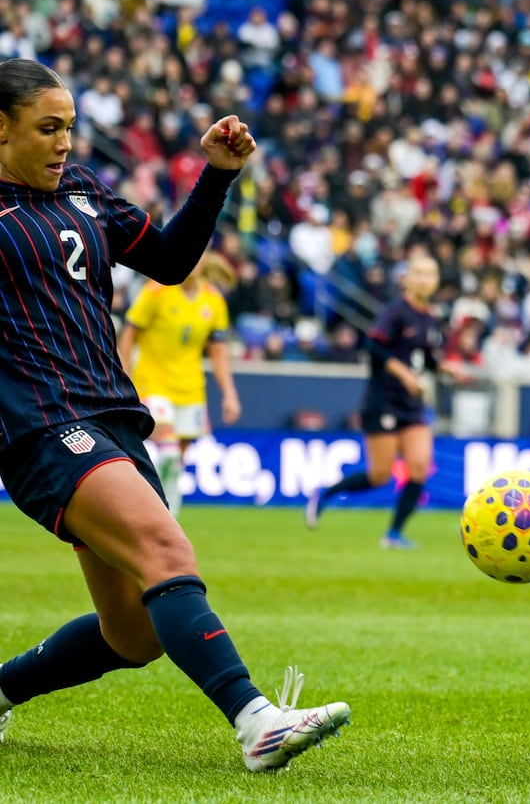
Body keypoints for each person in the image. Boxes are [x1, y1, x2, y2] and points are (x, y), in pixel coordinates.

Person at [0, 58, 349, 770]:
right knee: (168, 553)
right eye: (47, 128)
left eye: (68, 126)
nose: (64, 142)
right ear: (0, 129)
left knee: (134, 634)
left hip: (112, 416)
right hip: (42, 424)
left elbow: (167, 259)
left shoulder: (82, 193)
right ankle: (257, 721)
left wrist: (217, 175)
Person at [305, 253, 464, 548]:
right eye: (419, 273)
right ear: (407, 278)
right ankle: (325, 493)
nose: (424, 279)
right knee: (379, 475)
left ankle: (393, 534)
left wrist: (444, 368)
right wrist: (403, 373)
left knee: (419, 466)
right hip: (384, 402)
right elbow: (373, 346)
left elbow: (426, 359)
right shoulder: (396, 311)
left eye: (430, 274)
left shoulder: (429, 317)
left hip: (412, 404)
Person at [117, 250, 242, 517]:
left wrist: (229, 394)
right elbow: (129, 335)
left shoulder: (213, 300)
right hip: (153, 384)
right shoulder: (156, 291)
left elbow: (218, 352)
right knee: (170, 453)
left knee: (178, 462)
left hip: (190, 390)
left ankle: (166, 518)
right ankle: (156, 515)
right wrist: (123, 375)